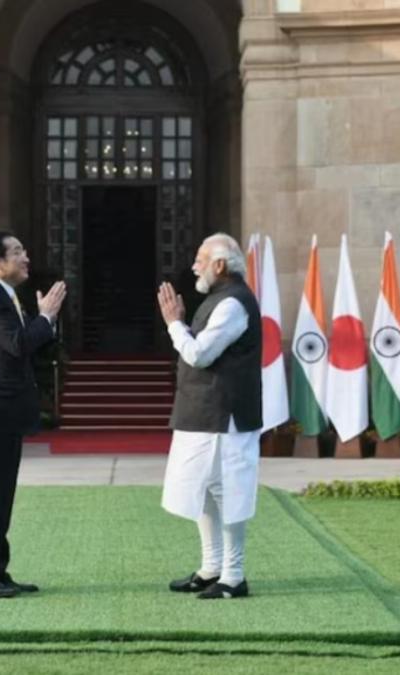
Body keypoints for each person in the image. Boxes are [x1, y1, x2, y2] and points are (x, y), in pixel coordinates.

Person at [156, 233, 262, 600]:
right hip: (202, 411)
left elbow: (200, 355)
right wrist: (179, 324)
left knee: (227, 491)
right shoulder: (219, 298)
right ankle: (211, 568)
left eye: (201, 259)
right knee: (201, 489)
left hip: (224, 414)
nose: (194, 266)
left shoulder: (233, 304)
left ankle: (233, 576)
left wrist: (174, 323)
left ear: (220, 265)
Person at [0, 231, 66, 598]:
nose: (26, 257)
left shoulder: (6, 296)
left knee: (2, 494)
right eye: (18, 252)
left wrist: (46, 322)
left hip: (5, 409)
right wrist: (46, 316)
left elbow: (27, 348)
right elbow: (18, 344)